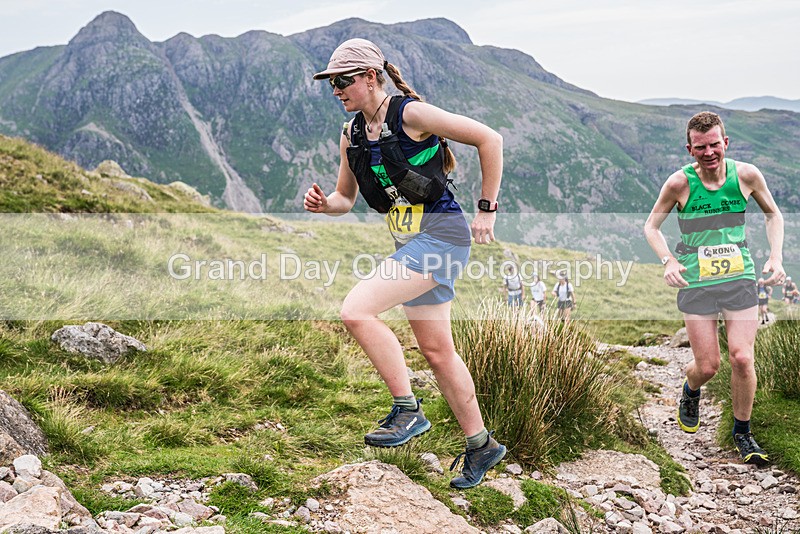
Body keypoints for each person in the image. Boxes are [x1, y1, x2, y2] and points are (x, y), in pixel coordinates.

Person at [304, 38, 506, 489]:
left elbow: (489, 138)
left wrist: (487, 209)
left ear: (370, 77)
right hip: (409, 243)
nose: (335, 90)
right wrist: (324, 205)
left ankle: (407, 410)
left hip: (442, 236)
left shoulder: (409, 114)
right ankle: (481, 445)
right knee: (437, 352)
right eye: (330, 83)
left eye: (342, 81)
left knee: (356, 311)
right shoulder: (351, 133)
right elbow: (345, 198)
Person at [643, 111, 784, 465]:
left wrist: (776, 257)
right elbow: (651, 227)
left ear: (726, 143)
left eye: (715, 145)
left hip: (738, 276)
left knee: (741, 356)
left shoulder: (746, 176)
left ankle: (742, 432)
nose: (709, 152)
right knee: (707, 366)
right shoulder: (679, 184)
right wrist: (669, 261)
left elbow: (773, 214)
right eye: (700, 147)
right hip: (698, 281)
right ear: (690, 149)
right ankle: (691, 390)